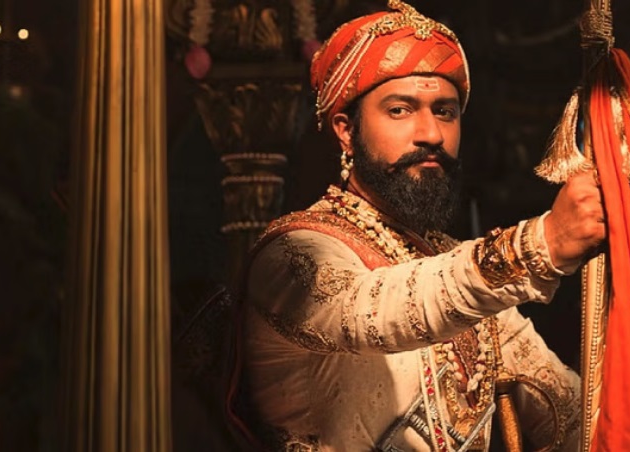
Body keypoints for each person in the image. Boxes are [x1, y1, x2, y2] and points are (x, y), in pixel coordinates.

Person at [226, 1, 606, 450]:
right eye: (400, 110)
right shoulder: (293, 256)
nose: (431, 134)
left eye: (445, 111)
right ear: (345, 130)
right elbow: (380, 311)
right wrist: (539, 244)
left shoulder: (460, 270)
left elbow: (576, 422)